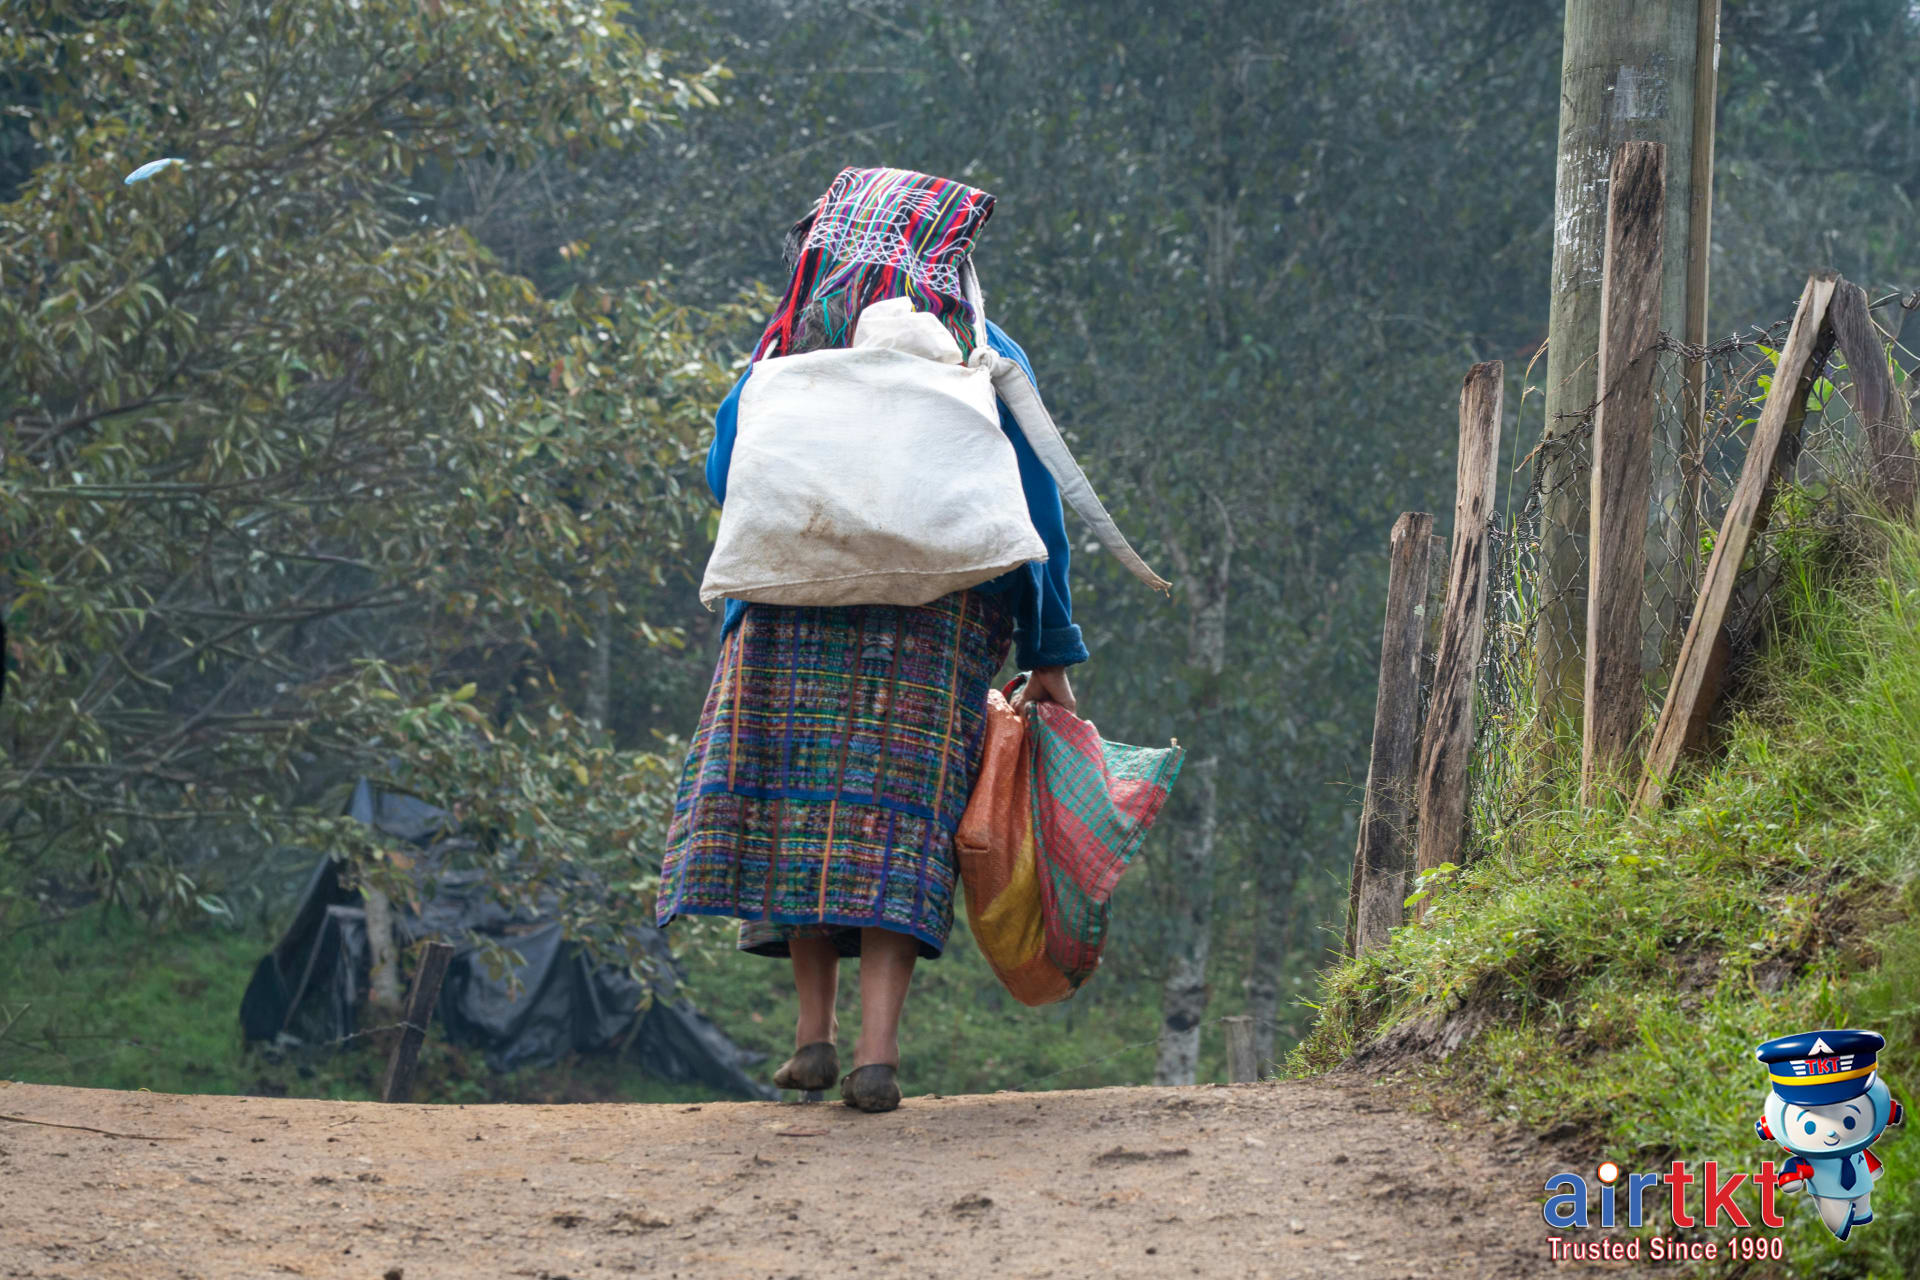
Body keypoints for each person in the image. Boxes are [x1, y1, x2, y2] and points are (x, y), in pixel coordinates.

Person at [655, 167, 1088, 1113]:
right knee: (896, 826)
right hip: (934, 630)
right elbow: (1037, 510)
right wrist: (1049, 649)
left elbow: (726, 470)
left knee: (801, 815)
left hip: (789, 619)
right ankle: (877, 1057)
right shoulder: (982, 350)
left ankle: (811, 1039)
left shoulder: (787, 348)